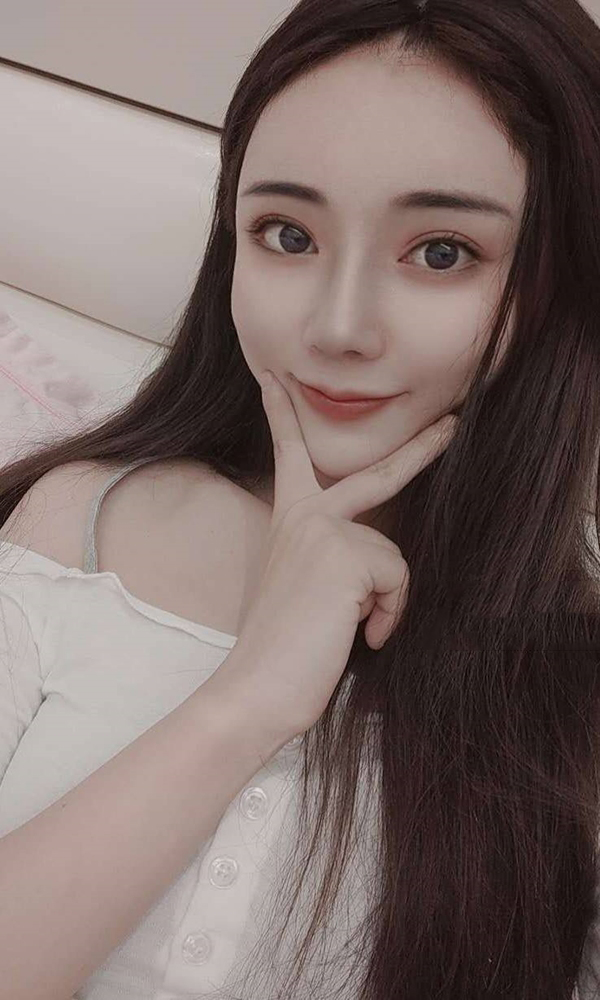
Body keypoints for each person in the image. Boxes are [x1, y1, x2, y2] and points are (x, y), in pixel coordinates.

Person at [0, 0, 599, 997]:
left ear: (560, 282)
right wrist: (247, 701)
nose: (338, 326)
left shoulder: (575, 691)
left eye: (441, 251)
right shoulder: (77, 528)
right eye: (287, 234)